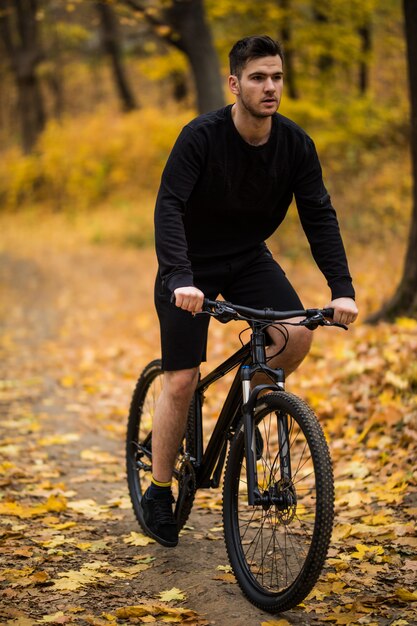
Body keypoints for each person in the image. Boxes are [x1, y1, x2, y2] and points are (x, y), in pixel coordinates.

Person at [138, 35, 358, 548]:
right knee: (181, 379)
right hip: (189, 265)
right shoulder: (201, 137)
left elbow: (319, 216)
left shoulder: (296, 144)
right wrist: (179, 278)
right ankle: (159, 488)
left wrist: (341, 289)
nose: (270, 87)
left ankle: (245, 406)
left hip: (248, 258)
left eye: (277, 77)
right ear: (235, 84)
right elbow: (168, 206)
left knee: (296, 336)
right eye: (258, 77)